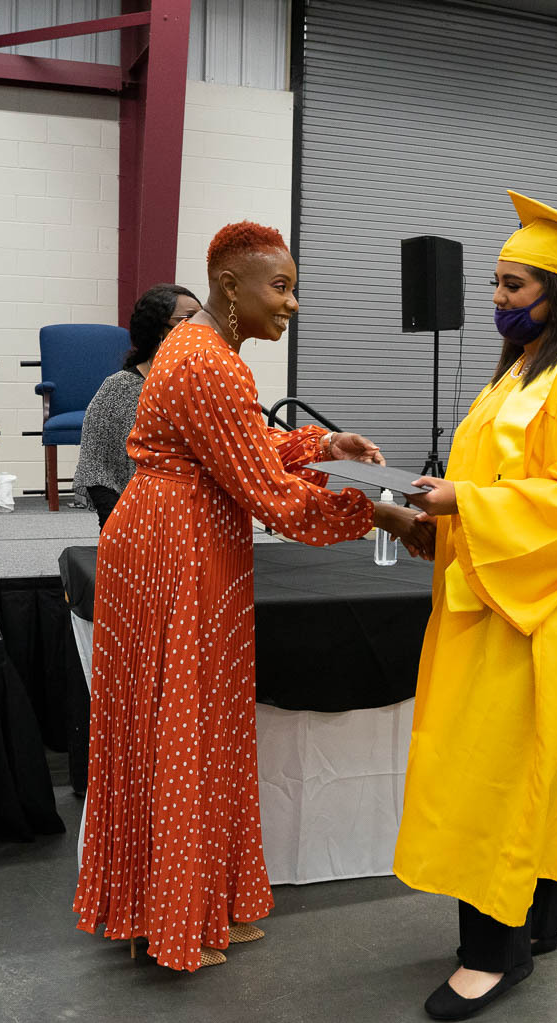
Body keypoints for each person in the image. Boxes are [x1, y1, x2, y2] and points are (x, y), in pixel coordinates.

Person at [73, 221, 432, 971]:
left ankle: (178, 906)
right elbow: (272, 497)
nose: (292, 302)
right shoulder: (212, 362)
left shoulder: (200, 348)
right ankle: (169, 917)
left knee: (182, 725)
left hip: (177, 537)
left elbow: (238, 443)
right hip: (177, 548)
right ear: (230, 286)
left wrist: (321, 445)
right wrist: (379, 512)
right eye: (281, 286)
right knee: (180, 728)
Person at [394, 192, 557, 1020]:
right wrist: (430, 518)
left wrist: (463, 502)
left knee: (498, 777)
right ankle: (539, 921)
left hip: (540, 611)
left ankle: (493, 956)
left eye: (514, 285)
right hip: (495, 593)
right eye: (496, 284)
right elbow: (493, 482)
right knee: (527, 771)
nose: (498, 299)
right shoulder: (521, 372)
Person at [73, 284, 202, 528]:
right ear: (159, 329)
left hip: (198, 518)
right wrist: (117, 525)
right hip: (136, 520)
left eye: (202, 318)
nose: (201, 327)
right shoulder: (119, 388)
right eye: (189, 319)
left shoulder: (206, 386)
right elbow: (96, 467)